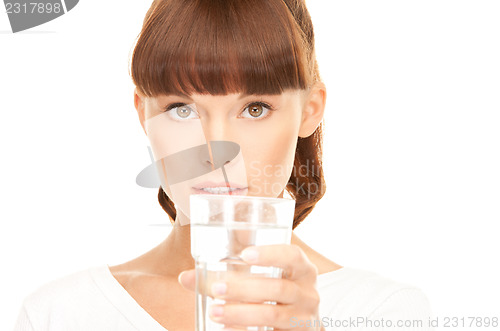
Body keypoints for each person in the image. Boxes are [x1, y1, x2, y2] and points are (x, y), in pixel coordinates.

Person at [14, 0, 434, 330]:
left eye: (255, 109)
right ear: (144, 114)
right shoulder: (61, 314)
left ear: (310, 110)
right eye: (182, 109)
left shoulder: (386, 310)